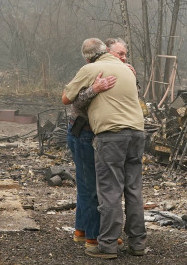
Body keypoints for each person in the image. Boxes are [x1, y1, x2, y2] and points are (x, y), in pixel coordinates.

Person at [63, 38, 146, 259]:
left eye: (125, 54)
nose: (123, 58)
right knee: (124, 190)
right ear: (106, 53)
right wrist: (94, 89)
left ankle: (105, 242)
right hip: (123, 132)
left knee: (105, 190)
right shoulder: (99, 70)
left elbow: (67, 98)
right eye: (120, 53)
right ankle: (133, 242)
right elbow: (73, 102)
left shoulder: (118, 69)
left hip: (111, 134)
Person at [62, 38, 116, 247]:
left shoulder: (115, 69)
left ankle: (81, 229)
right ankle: (93, 237)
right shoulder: (89, 70)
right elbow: (66, 98)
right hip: (82, 131)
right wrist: (94, 88)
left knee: (86, 184)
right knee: (89, 186)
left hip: (93, 133)